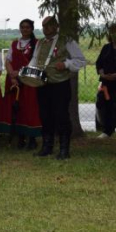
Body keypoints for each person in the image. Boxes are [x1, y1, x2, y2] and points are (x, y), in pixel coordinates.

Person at [28, 16, 86, 160]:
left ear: (56, 26)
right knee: (45, 115)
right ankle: (47, 147)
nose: (45, 29)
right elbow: (35, 60)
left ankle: (64, 149)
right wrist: (28, 72)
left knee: (61, 116)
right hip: (43, 84)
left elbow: (81, 60)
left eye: (48, 26)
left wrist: (66, 65)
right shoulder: (40, 43)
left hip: (60, 84)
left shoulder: (66, 41)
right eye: (43, 26)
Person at [0, 19, 41, 149]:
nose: (25, 29)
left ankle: (32, 139)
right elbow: (8, 60)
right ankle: (20, 138)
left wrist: (19, 73)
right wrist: (12, 74)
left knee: (29, 108)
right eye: (22, 27)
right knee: (16, 108)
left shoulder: (37, 44)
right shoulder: (14, 44)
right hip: (13, 80)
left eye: (27, 27)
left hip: (29, 79)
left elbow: (35, 62)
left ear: (32, 29)